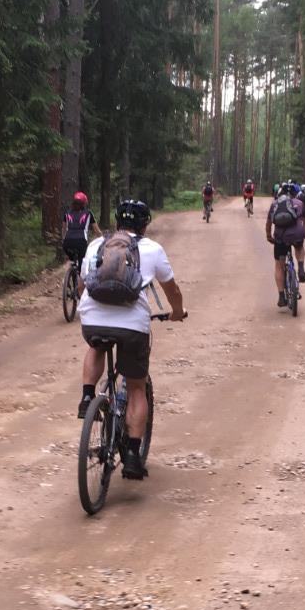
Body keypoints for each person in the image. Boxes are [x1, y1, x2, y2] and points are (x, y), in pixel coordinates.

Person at [77, 199, 186, 479]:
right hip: (132, 326)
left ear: (116, 223)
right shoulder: (151, 249)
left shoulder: (96, 245)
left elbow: (82, 284)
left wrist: (91, 310)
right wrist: (177, 312)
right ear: (145, 224)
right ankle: (134, 457)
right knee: (137, 387)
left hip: (92, 318)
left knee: (96, 345)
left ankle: (88, 396)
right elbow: (171, 289)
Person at [266, 182, 305, 305]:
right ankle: (300, 268)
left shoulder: (275, 204)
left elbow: (269, 223)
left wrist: (269, 236)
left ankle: (281, 297)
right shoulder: (300, 203)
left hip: (280, 238)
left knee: (279, 266)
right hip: (296, 235)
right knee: (299, 247)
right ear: (295, 193)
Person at [61, 191, 95, 265]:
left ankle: (73, 268)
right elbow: (96, 229)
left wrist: (63, 239)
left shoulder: (67, 213)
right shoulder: (88, 213)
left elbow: (63, 228)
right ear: (84, 203)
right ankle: (79, 272)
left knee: (72, 256)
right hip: (81, 241)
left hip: (67, 242)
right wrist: (102, 238)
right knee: (82, 262)